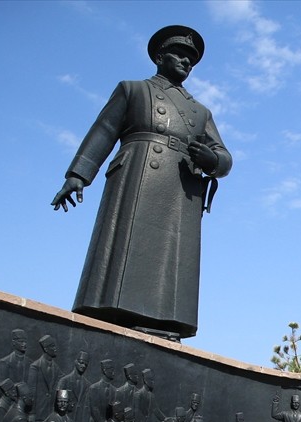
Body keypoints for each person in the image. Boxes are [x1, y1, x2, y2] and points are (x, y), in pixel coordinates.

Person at [52, 25, 231, 341]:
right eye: (180, 54)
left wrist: (211, 159)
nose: (187, 61)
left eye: (192, 58)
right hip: (139, 174)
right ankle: (114, 312)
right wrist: (78, 175)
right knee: (126, 250)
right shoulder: (132, 90)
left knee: (172, 256)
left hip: (181, 188)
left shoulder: (201, 112)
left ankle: (165, 323)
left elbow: (224, 157)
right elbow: (104, 131)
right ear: (160, 57)